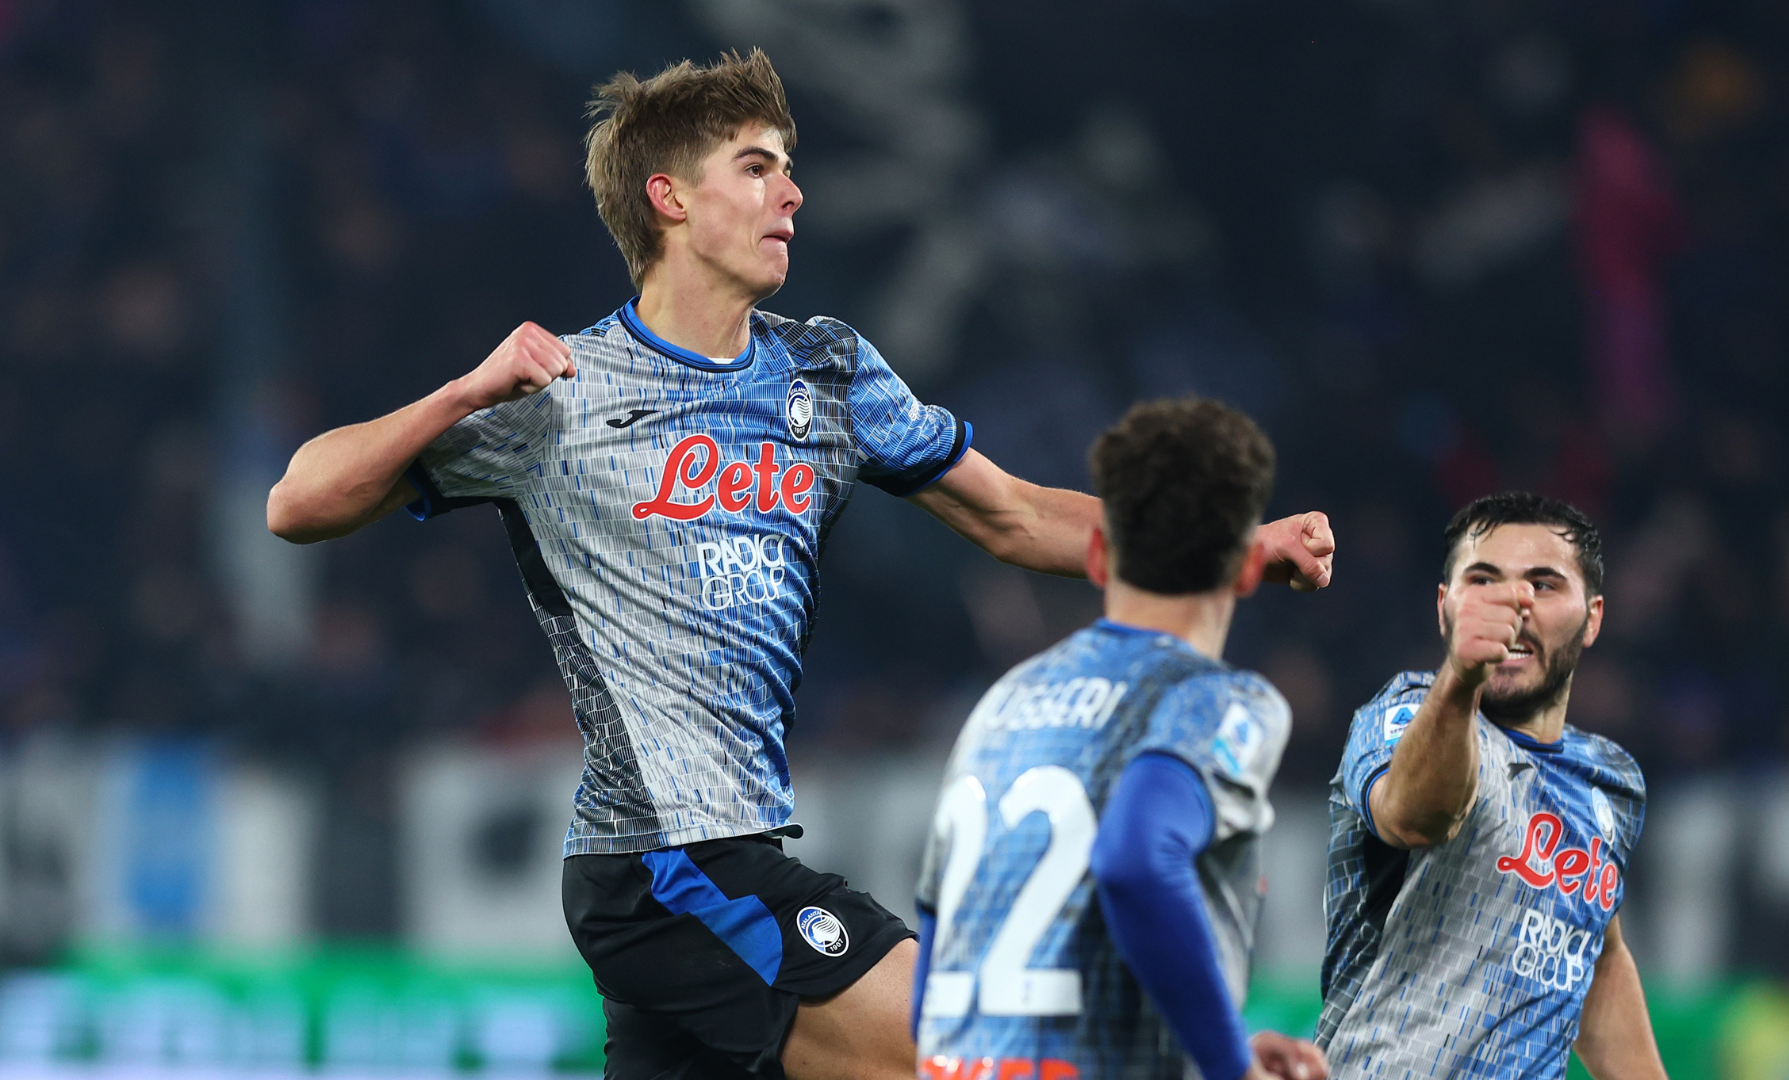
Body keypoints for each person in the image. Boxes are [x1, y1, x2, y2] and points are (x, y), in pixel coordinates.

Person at [265, 51, 1336, 1080]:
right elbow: (298, 502)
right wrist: (466, 391)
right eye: (756, 167)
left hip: (724, 857)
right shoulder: (561, 393)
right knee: (962, 1048)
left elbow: (1013, 515)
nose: (793, 193)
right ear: (670, 199)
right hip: (669, 862)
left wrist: (1233, 549)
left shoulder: (826, 369)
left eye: (788, 167)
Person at [912, 399, 1329, 1080]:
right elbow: (1136, 859)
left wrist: (1202, 1049)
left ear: (1099, 554)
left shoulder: (1003, 701)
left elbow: (936, 958)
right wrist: (1232, 1068)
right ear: (1249, 568)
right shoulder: (1217, 700)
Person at [1316, 492, 1664, 1079]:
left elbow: (1595, 953)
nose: (1514, 603)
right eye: (1483, 580)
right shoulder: (1400, 715)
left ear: (1593, 617)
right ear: (1444, 607)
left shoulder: (1612, 780)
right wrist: (1461, 678)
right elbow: (1416, 816)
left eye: (1544, 584)